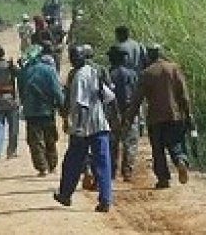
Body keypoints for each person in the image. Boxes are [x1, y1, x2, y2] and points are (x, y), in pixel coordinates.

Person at [54, 45, 114, 213]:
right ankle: (105, 200)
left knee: (72, 162)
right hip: (100, 125)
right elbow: (109, 96)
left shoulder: (79, 76)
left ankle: (65, 194)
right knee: (103, 164)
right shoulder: (95, 71)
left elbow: (81, 105)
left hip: (84, 128)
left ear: (75, 59)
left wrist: (78, 126)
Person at [124, 43, 193, 189]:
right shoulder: (174, 68)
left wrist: (129, 119)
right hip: (175, 116)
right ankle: (180, 159)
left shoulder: (147, 73)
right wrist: (188, 114)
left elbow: (137, 99)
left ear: (149, 56)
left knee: (158, 149)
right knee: (175, 143)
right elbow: (184, 95)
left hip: (155, 118)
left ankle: (163, 179)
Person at [17, 47, 64, 177]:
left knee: (35, 141)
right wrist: (62, 106)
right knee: (50, 139)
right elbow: (57, 90)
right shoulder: (49, 70)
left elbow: (21, 92)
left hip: (31, 111)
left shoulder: (23, 72)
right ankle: (52, 165)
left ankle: (42, 167)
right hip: (47, 110)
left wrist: (25, 104)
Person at [107, 46, 139, 182]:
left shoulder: (108, 73)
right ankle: (127, 172)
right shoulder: (132, 74)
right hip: (129, 111)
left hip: (112, 112)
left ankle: (112, 172)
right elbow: (137, 94)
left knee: (112, 143)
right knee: (130, 143)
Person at [114, 25, 148, 137]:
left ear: (120, 34)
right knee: (139, 100)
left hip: (124, 78)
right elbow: (145, 61)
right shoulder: (138, 45)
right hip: (138, 76)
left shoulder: (120, 47)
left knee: (127, 101)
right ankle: (141, 122)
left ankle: (126, 124)